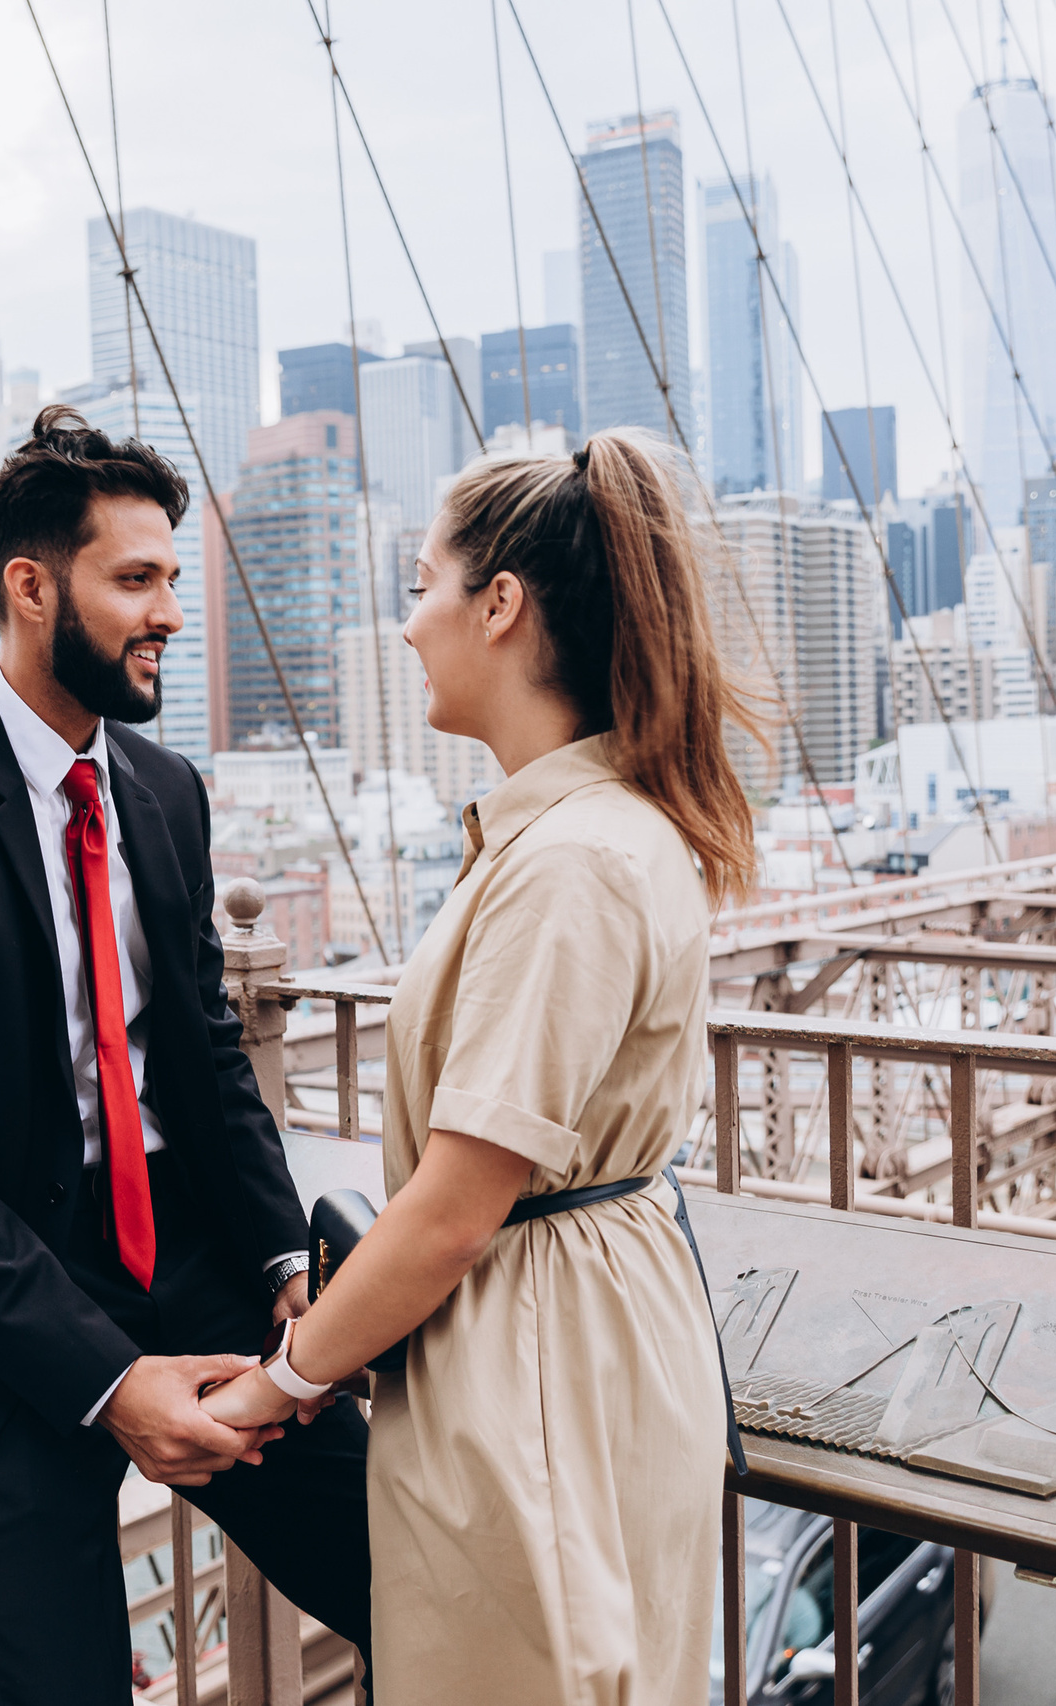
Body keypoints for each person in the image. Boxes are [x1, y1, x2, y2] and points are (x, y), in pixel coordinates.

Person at [0, 407, 370, 1704]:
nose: (170, 610)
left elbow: (209, 1060)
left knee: (415, 1562)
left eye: (174, 577)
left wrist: (286, 1262)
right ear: (31, 585)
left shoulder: (165, 790)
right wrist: (110, 1382)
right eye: (136, 579)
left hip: (184, 1256)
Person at [202, 428, 760, 1704]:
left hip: (534, 1367)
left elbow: (456, 1210)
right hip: (590, 1334)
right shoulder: (599, 831)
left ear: (499, 604)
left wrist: (275, 1388)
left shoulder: (566, 862)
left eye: (421, 585)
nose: (407, 626)